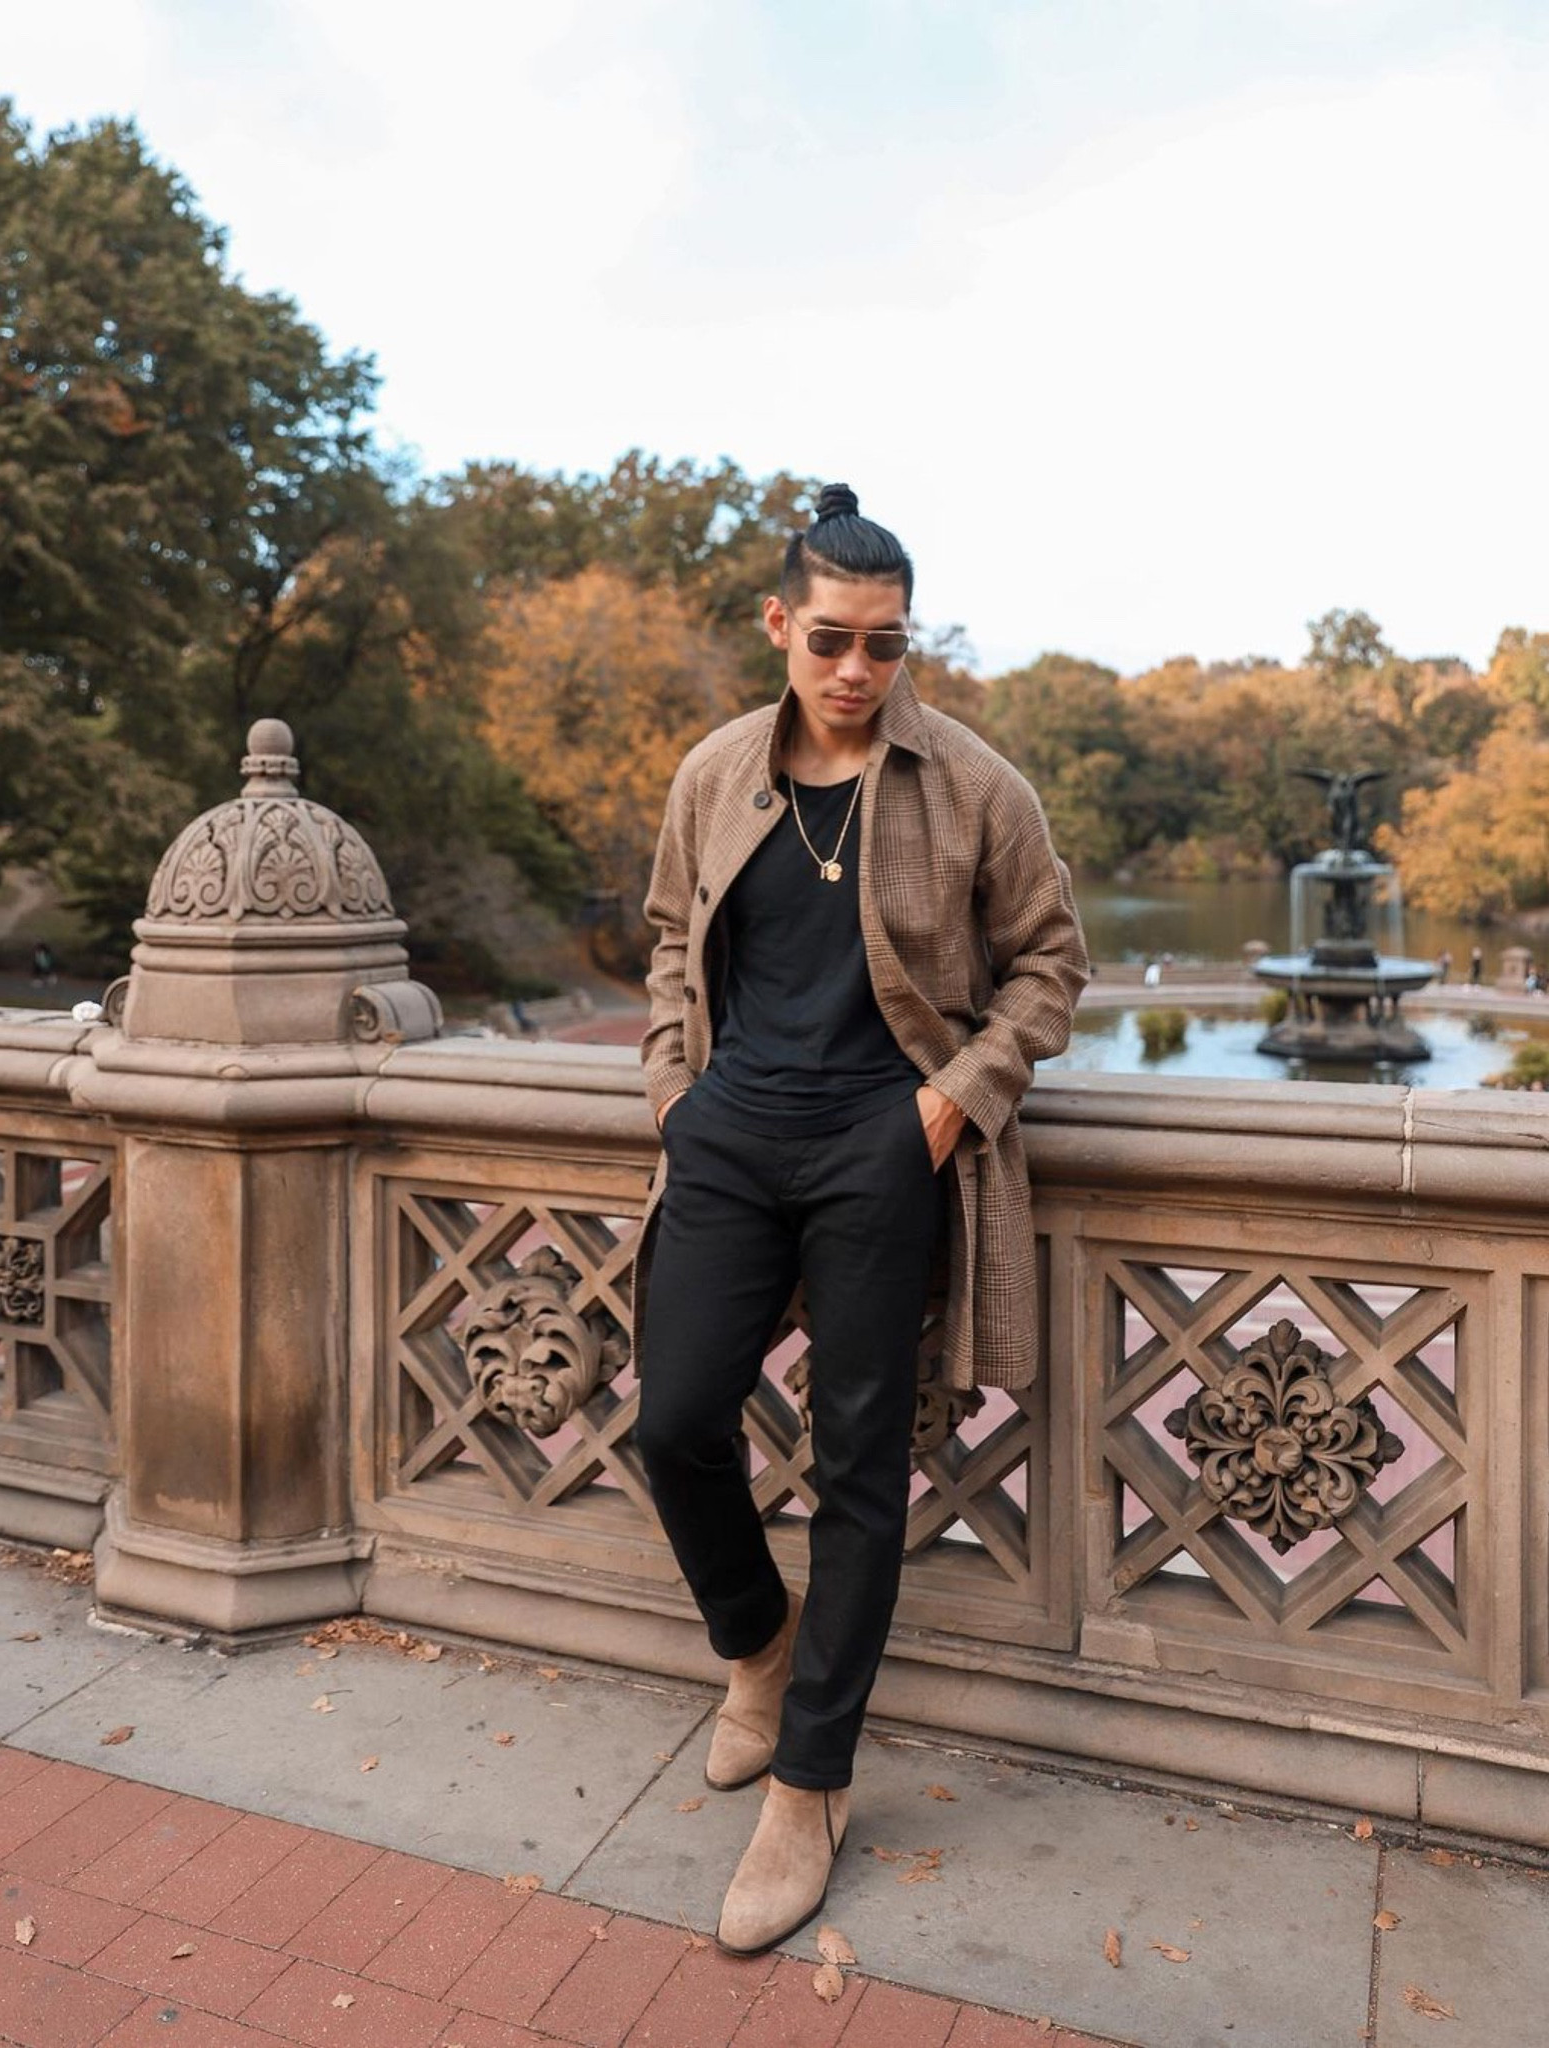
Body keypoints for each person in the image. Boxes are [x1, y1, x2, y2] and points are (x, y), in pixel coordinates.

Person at [634, 484, 1088, 1955]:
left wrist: (951, 1101)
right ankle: (755, 1648)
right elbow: (662, 943)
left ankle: (813, 1783)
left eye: (886, 645)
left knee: (858, 1470)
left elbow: (1049, 965)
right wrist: (667, 1094)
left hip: (882, 1150)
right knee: (675, 1418)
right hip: (729, 1139)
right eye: (831, 638)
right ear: (778, 625)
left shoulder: (971, 786)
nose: (856, 671)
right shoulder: (714, 773)